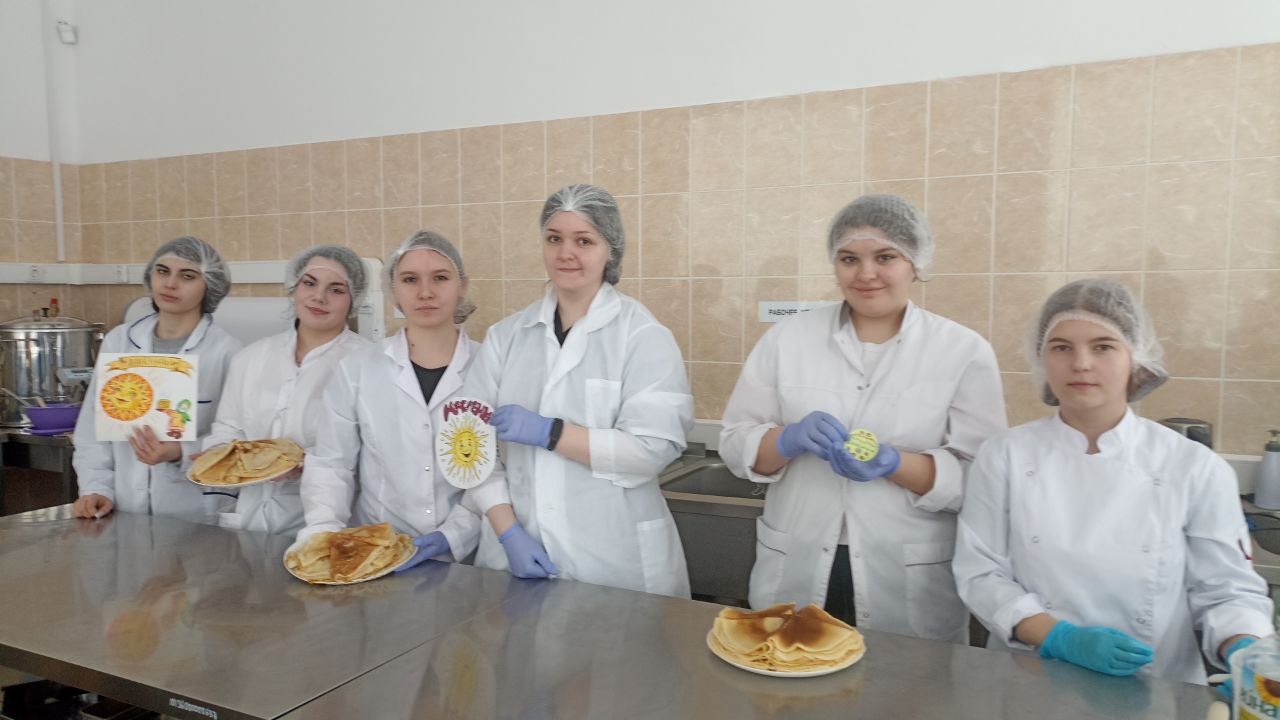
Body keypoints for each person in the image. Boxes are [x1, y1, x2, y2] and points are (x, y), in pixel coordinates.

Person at [953, 278, 1273, 684]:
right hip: (1032, 679)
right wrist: (1059, 638)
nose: (1081, 363)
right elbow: (981, 573)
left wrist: (1247, 655)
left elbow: (1228, 591)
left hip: (1155, 686)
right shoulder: (1004, 455)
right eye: (1061, 347)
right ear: (1041, 359)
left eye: (1103, 346)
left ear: (1135, 358)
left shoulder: (1194, 466)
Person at [719, 194, 1006, 640]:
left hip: (906, 570)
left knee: (906, 682)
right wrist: (787, 439)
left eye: (885, 257)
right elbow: (735, 442)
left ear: (915, 264)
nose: (865, 273)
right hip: (798, 556)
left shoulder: (963, 351)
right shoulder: (787, 339)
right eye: (849, 258)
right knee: (792, 676)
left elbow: (982, 480)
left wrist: (896, 464)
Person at [464, 183, 693, 597]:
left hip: (613, 560)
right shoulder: (506, 337)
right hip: (515, 552)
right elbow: (472, 450)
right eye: (554, 239)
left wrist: (551, 433)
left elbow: (653, 449)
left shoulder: (642, 335)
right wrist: (508, 531)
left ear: (610, 251)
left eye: (583, 241)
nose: (565, 253)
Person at [298, 231, 481, 566]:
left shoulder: (489, 367)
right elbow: (331, 462)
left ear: (462, 286)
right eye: (410, 279)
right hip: (374, 550)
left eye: (440, 278)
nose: (425, 292)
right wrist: (323, 533)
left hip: (468, 556)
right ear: (393, 290)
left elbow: (497, 468)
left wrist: (455, 534)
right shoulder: (358, 368)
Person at [200, 245, 371, 534]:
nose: (319, 296)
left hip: (328, 526)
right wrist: (219, 455)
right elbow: (227, 428)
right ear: (294, 287)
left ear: (353, 300)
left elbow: (374, 453)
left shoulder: (367, 363)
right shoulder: (251, 358)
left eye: (336, 290)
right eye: (309, 283)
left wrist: (305, 463)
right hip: (251, 521)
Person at [72, 237, 242, 523]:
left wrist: (180, 452)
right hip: (123, 509)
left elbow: (238, 441)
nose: (170, 284)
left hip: (195, 512)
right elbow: (92, 431)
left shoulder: (227, 353)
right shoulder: (120, 341)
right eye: (162, 271)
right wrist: (96, 488)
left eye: (187, 276)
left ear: (209, 286)